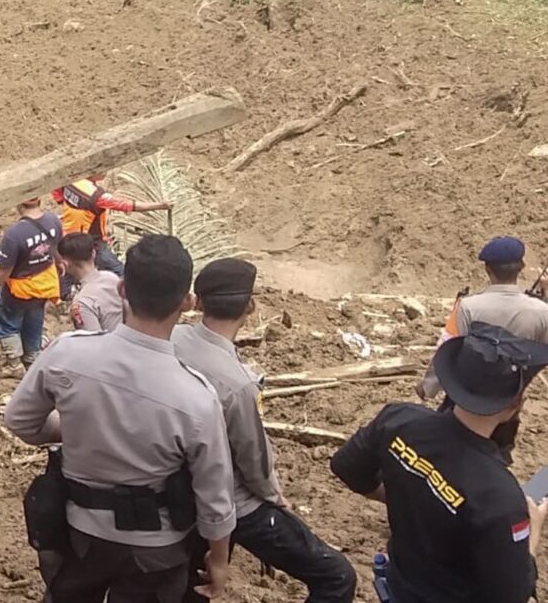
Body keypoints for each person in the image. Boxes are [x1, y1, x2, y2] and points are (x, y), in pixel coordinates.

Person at [4, 234, 236, 603]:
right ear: (188, 303)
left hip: (80, 534)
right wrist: (219, 559)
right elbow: (215, 496)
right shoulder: (197, 397)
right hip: (157, 549)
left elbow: (20, 420)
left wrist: (72, 428)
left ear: (123, 289)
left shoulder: (68, 353)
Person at [175, 258, 356, 603]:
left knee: (191, 584)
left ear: (198, 302)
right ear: (251, 306)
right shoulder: (238, 385)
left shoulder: (174, 338)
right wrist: (275, 497)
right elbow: (252, 460)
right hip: (229, 500)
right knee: (336, 576)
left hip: (175, 484)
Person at [332, 323, 548, 603]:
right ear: (516, 403)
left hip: (399, 586)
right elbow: (511, 594)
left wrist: (413, 496)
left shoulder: (398, 419)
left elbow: (346, 468)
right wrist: (534, 530)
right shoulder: (500, 498)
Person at [419, 236, 548, 462]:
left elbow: (447, 347)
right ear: (522, 268)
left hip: (464, 395)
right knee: (496, 457)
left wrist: (427, 387)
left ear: (488, 269)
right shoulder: (541, 312)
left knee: (446, 453)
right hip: (507, 401)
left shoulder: (468, 306)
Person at [0, 199, 63, 376]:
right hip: (44, 284)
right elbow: (56, 247)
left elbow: (6, 267)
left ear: (19, 204)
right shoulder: (53, 220)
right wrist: (60, 263)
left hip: (19, 288)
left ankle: (14, 365)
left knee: (7, 323)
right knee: (35, 319)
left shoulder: (14, 234)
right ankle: (32, 359)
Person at [54, 174, 172, 275]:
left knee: (70, 265)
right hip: (90, 240)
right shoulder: (95, 196)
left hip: (69, 231)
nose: (105, 172)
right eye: (102, 169)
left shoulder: (71, 180)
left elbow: (57, 189)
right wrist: (160, 206)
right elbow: (128, 205)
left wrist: (60, 200)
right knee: (119, 270)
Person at [64, 233, 124, 333]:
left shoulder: (82, 303)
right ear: (93, 253)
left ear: (65, 263)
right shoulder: (112, 278)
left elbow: (92, 342)